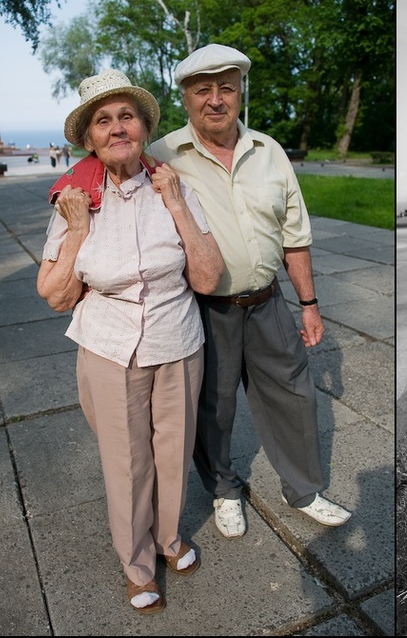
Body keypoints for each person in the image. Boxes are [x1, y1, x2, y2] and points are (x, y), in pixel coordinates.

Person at [37, 69, 224, 614]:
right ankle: (137, 564)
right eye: (104, 120)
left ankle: (169, 541)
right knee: (127, 461)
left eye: (126, 117)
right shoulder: (76, 199)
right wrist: (76, 230)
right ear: (89, 137)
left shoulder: (173, 185)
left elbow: (208, 278)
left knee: (172, 451)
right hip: (109, 342)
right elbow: (54, 294)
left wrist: (178, 205)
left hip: (177, 338)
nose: (117, 128)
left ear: (143, 128)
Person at [148, 43, 352, 538]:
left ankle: (303, 489)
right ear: (186, 98)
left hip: (268, 302)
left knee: (294, 394)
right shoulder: (162, 156)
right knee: (212, 406)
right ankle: (223, 489)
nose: (215, 100)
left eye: (226, 88)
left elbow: (294, 235)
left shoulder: (269, 151)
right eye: (203, 90)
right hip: (204, 308)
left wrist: (309, 304)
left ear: (240, 92)